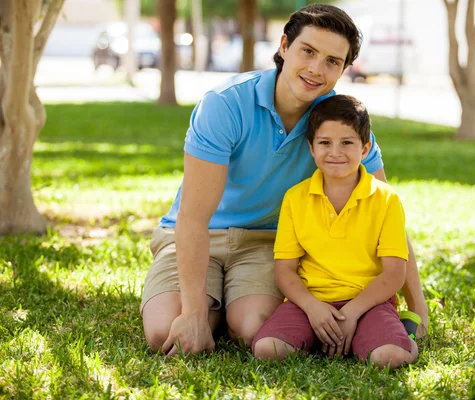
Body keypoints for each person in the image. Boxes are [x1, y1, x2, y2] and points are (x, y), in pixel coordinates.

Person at [140, 4, 428, 356]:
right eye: (308, 51)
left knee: (251, 327)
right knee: (162, 333)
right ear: (284, 46)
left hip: (267, 244)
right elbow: (194, 217)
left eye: (332, 61)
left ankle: (224, 307)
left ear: (343, 70)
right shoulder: (225, 104)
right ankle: (206, 306)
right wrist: (194, 314)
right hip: (195, 236)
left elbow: (386, 215)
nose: (315, 69)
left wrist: (419, 306)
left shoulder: (341, 125)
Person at [252, 95, 417, 368]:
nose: (335, 152)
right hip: (310, 302)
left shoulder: (387, 199)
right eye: (325, 143)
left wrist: (351, 312)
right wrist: (312, 308)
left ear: (365, 149)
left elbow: (394, 273)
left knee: (390, 358)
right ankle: (325, 335)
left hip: (369, 302)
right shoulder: (295, 198)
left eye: (347, 143)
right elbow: (285, 271)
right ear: (311, 148)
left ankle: (402, 339)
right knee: (268, 350)